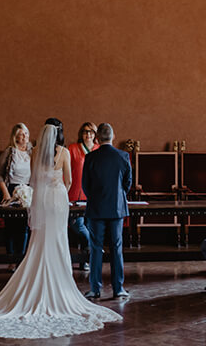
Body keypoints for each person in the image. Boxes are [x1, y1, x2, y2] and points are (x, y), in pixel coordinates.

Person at [0, 122, 122, 338]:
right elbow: (68, 181)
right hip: (58, 199)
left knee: (40, 239)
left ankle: (33, 282)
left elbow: (33, 179)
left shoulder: (36, 152)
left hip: (42, 200)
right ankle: (60, 285)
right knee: (58, 240)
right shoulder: (65, 153)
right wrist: (58, 189)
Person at [81, 123, 132, 300]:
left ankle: (95, 289)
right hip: (117, 208)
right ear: (113, 136)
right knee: (117, 248)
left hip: (96, 208)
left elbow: (85, 186)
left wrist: (95, 197)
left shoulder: (90, 157)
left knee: (95, 248)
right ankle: (118, 288)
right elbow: (127, 183)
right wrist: (117, 195)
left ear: (97, 138)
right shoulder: (123, 156)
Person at [0, 122, 32, 267]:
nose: (24, 136)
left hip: (28, 190)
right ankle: (10, 260)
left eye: (26, 133)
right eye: (21, 134)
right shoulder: (9, 152)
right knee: (11, 226)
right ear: (15, 137)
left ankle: (20, 259)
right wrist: (6, 193)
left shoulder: (32, 152)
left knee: (24, 226)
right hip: (11, 189)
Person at [67, 122, 98, 270]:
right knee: (78, 225)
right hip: (75, 194)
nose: (88, 135)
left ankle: (84, 260)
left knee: (90, 226)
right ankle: (94, 247)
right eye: (86, 132)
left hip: (93, 195)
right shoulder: (72, 149)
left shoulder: (99, 149)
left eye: (91, 132)